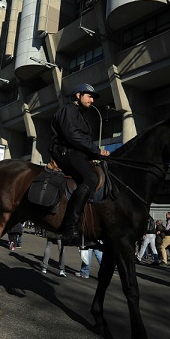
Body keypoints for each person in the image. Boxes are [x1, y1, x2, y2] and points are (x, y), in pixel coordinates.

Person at [49, 83, 110, 246]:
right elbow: (73, 136)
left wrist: (96, 155)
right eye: (89, 96)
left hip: (78, 154)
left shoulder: (81, 114)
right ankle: (70, 229)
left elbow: (83, 141)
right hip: (66, 152)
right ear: (78, 95)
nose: (92, 100)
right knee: (90, 178)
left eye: (93, 97)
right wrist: (96, 150)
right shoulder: (68, 110)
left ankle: (88, 228)